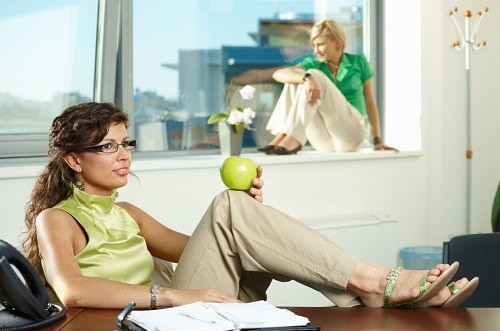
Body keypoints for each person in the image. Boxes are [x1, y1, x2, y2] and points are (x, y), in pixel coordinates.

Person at [23, 102, 477, 310]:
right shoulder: (57, 218)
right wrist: (174, 295)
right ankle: (372, 284)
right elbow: (73, 291)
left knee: (234, 209)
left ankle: (371, 293)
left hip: (201, 304)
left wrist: (248, 218)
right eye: (106, 147)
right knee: (229, 208)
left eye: (126, 143)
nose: (123, 155)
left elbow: (200, 249)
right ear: (73, 160)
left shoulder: (127, 213)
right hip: (161, 316)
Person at [258, 18, 398, 155]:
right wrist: (307, 79)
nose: (315, 51)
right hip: (326, 142)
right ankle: (285, 133)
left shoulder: (358, 62)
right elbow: (278, 74)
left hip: (352, 134)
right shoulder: (316, 64)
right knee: (298, 77)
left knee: (312, 74)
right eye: (313, 46)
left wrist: (377, 140)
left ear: (337, 43)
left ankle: (292, 137)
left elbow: (370, 102)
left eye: (320, 44)